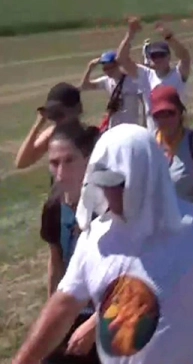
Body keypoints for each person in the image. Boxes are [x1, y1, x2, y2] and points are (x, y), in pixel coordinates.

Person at [12, 124, 193, 364]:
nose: (108, 193)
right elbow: (63, 306)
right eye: (102, 183)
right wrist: (23, 360)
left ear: (145, 177)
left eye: (117, 184)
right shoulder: (95, 239)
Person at [40, 122, 101, 364]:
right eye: (54, 163)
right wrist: (52, 315)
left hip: (113, 315)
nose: (61, 173)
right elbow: (56, 262)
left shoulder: (110, 203)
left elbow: (131, 275)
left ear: (88, 160)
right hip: (73, 312)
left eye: (69, 161)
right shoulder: (54, 207)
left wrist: (95, 323)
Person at [149, 85, 193, 215]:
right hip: (159, 226)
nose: (165, 120)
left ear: (180, 112)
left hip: (192, 225)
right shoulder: (148, 144)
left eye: (170, 113)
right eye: (159, 115)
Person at [114, 17, 192, 134]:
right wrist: (131, 33)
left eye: (161, 55)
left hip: (177, 136)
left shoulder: (178, 74)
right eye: (154, 56)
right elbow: (121, 59)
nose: (158, 59)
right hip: (153, 137)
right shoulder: (145, 75)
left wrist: (169, 37)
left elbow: (185, 57)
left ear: (169, 56)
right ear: (149, 59)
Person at [16, 83, 84, 171]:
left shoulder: (91, 134)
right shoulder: (52, 133)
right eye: (52, 113)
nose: (55, 118)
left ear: (77, 109)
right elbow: (22, 163)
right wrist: (37, 126)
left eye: (59, 113)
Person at [79, 51, 143, 128]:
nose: (107, 71)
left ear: (118, 65)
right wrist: (90, 67)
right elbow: (85, 86)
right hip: (114, 126)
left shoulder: (132, 80)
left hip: (131, 126)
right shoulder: (107, 81)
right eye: (105, 69)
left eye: (110, 68)